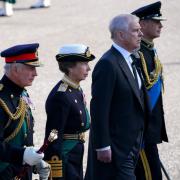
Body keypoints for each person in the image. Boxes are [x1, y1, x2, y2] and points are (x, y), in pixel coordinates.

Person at [84, 14, 150, 180]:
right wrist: (102, 145)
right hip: (116, 147)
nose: (141, 34)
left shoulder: (131, 58)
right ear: (121, 35)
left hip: (133, 142)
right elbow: (99, 108)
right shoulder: (108, 64)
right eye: (136, 30)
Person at [44, 44, 95, 179]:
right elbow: (53, 135)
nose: (88, 68)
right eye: (84, 63)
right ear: (70, 66)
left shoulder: (75, 88)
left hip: (75, 152)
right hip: (65, 155)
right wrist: (55, 171)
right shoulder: (61, 95)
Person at [0, 43, 49, 180]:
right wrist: (22, 155)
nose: (36, 74)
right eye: (31, 68)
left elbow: (24, 137)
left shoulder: (22, 95)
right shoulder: (1, 99)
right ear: (15, 69)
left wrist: (34, 161)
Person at [131, 2, 168, 180]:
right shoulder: (138, 55)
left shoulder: (149, 51)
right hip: (142, 130)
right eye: (156, 21)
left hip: (149, 128)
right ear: (143, 24)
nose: (161, 25)